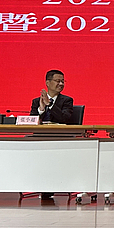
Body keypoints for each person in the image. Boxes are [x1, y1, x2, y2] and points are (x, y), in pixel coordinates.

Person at [30, 69, 74, 199]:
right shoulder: (36, 101)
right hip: (41, 136)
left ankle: (50, 186)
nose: (61, 84)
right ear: (47, 83)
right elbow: (32, 120)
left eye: (63, 81)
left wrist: (50, 104)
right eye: (57, 81)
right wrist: (41, 109)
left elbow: (64, 118)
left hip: (60, 136)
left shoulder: (67, 101)